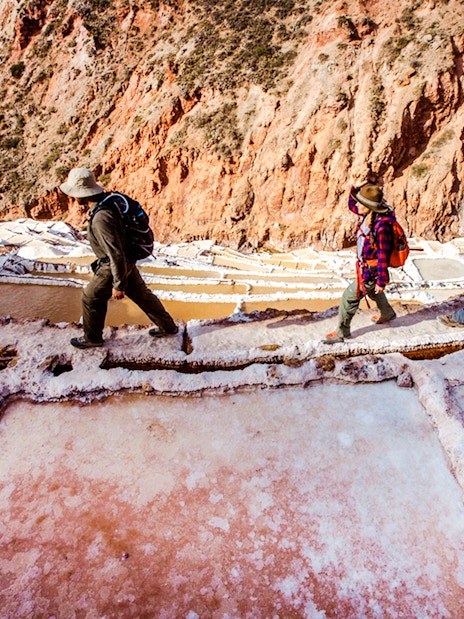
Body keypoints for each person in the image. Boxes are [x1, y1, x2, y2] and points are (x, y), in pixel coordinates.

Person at [60, 167, 178, 349]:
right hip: (128, 261)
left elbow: (114, 253)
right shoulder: (109, 203)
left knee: (91, 298)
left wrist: (118, 285)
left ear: (83, 194)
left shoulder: (101, 217)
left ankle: (92, 338)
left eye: (75, 194)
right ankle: (168, 327)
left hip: (113, 266)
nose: (73, 197)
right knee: (143, 296)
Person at [323, 182, 397, 344]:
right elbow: (352, 206)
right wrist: (353, 191)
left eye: (360, 202)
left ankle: (341, 332)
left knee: (349, 298)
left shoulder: (382, 227)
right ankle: (388, 313)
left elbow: (383, 255)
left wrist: (382, 280)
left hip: (371, 270)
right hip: (366, 268)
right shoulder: (368, 216)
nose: (357, 204)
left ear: (368, 206)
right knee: (372, 292)